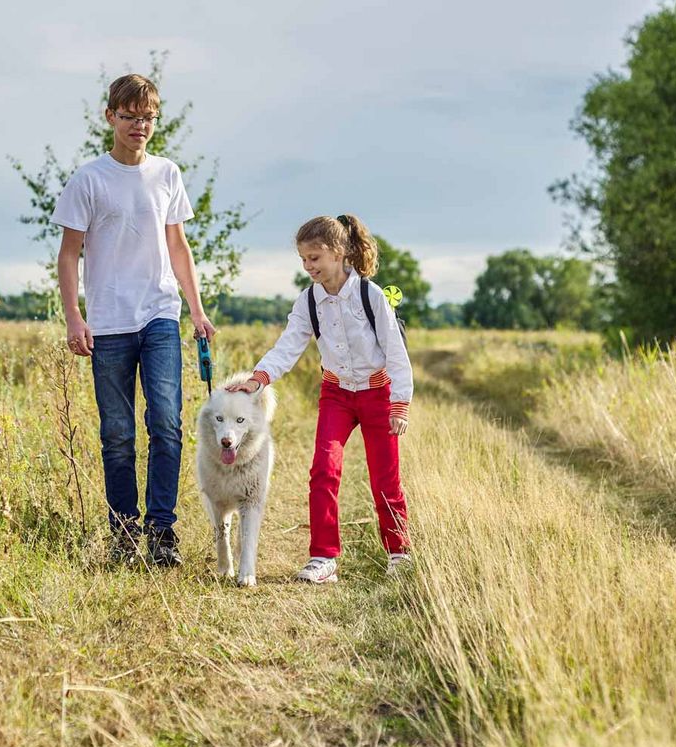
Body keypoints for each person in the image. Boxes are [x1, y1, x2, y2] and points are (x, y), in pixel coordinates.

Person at [52, 74, 215, 567]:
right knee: (117, 432)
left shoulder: (168, 173)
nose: (139, 126)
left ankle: (162, 532)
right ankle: (124, 532)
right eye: (129, 117)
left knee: (166, 423)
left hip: (160, 315)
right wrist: (74, 317)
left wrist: (198, 309)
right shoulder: (89, 180)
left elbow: (178, 246)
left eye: (147, 117)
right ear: (110, 117)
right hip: (108, 323)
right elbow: (68, 255)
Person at [228, 214, 412, 583]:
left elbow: (395, 351)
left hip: (378, 393)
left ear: (339, 252)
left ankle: (399, 552)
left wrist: (400, 403)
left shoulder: (369, 295)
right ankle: (323, 558)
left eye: (315, 258)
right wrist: (258, 379)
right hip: (336, 394)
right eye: (303, 259)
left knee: (384, 478)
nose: (309, 266)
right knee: (323, 471)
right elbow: (288, 346)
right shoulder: (308, 301)